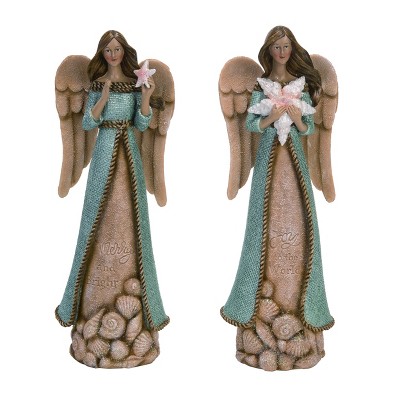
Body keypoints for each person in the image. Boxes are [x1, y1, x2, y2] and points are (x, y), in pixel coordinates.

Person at [220, 26, 334, 370]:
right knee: (263, 226)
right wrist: (272, 115)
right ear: (268, 50)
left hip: (295, 162)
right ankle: (255, 310)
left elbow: (309, 129)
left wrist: (297, 118)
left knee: (301, 225)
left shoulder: (302, 85)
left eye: (286, 46)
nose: (282, 52)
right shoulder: (261, 87)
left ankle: (304, 312)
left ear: (291, 49)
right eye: (276, 47)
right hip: (269, 160)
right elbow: (251, 126)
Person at [55, 30, 169, 368]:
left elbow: (143, 123)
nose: (113, 54)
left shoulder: (135, 84)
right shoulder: (96, 85)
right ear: (102, 53)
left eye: (117, 49)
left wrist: (146, 96)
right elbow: (89, 122)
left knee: (133, 216)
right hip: (105, 148)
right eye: (108, 50)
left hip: (130, 153)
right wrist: (102, 96)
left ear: (124, 51)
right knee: (97, 214)